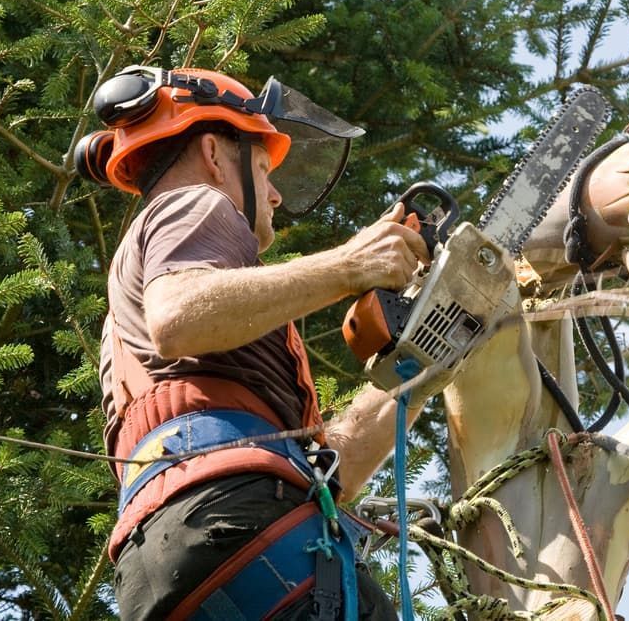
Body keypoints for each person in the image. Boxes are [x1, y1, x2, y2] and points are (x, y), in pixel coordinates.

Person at [79, 65, 438, 619]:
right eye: (266, 168)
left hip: (163, 560)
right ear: (214, 154)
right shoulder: (192, 202)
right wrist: (350, 264)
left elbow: (327, 473)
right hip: (239, 526)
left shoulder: (153, 340)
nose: (272, 194)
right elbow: (177, 316)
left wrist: (422, 362)